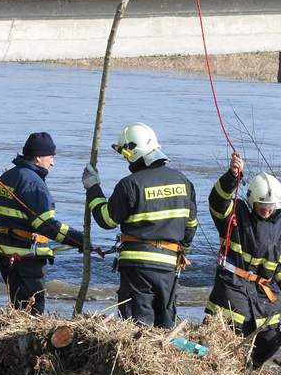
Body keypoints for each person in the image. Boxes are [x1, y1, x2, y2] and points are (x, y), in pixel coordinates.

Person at [82, 122, 197, 328]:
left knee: (137, 327)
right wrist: (182, 252)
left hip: (137, 268)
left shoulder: (130, 184)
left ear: (132, 152)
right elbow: (191, 225)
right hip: (169, 265)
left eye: (125, 154)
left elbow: (107, 220)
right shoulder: (184, 182)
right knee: (165, 325)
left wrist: (93, 189)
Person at [205, 151, 281, 368]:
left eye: (271, 208)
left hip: (261, 293)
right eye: (262, 207)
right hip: (231, 285)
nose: (267, 211)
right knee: (233, 335)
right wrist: (232, 176)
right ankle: (228, 370)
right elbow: (217, 201)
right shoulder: (235, 213)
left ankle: (248, 371)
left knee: (272, 340)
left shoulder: (280, 227)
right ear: (252, 201)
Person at [0, 131, 84, 314]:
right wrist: (79, 239)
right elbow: (46, 225)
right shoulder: (33, 183)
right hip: (27, 257)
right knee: (32, 311)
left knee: (18, 308)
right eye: (50, 157)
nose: (52, 162)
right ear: (38, 157)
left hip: (5, 253)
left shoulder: (7, 177)